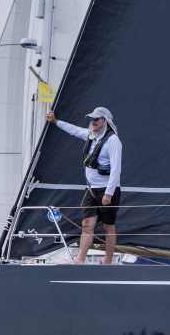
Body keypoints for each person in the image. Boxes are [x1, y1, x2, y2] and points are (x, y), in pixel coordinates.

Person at [45, 106, 122, 264]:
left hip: (108, 190)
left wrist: (108, 193)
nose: (92, 122)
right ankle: (80, 259)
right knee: (87, 224)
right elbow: (73, 130)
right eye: (91, 119)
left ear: (105, 122)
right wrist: (55, 121)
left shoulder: (113, 141)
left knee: (109, 226)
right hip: (91, 190)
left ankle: (108, 261)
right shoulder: (90, 135)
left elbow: (116, 169)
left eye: (96, 119)